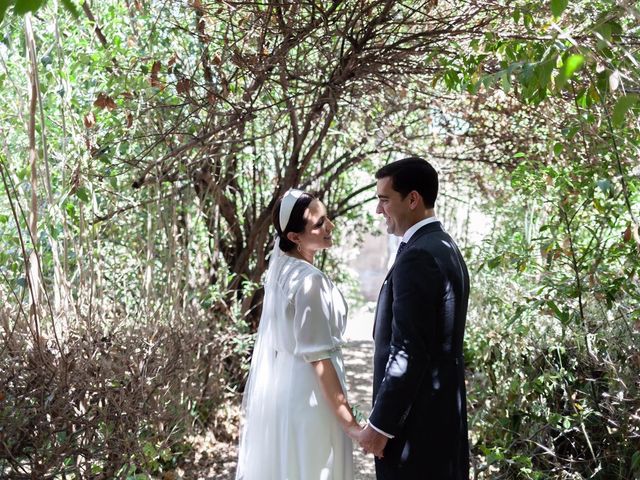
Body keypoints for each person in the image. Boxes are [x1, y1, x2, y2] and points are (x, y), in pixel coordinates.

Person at [236, 189, 362, 480]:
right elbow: (318, 358)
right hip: (312, 399)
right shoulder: (309, 281)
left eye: (327, 217)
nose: (330, 226)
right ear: (294, 237)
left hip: (286, 392)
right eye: (319, 224)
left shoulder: (283, 273)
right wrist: (350, 424)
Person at [358, 157, 470, 479]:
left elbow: (409, 350)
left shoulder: (419, 255)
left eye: (384, 199)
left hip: (416, 431)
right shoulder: (445, 246)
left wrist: (380, 426)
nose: (380, 211)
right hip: (442, 421)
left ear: (412, 199)